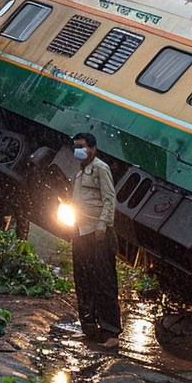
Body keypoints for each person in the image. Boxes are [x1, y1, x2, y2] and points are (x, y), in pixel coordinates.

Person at [70, 132, 121, 348]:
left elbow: (109, 199)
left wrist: (103, 225)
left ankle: (111, 333)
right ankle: (90, 328)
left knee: (104, 281)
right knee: (83, 279)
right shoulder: (81, 171)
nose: (78, 150)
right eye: (76, 146)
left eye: (81, 146)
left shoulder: (101, 168)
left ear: (93, 148)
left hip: (98, 232)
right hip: (81, 231)